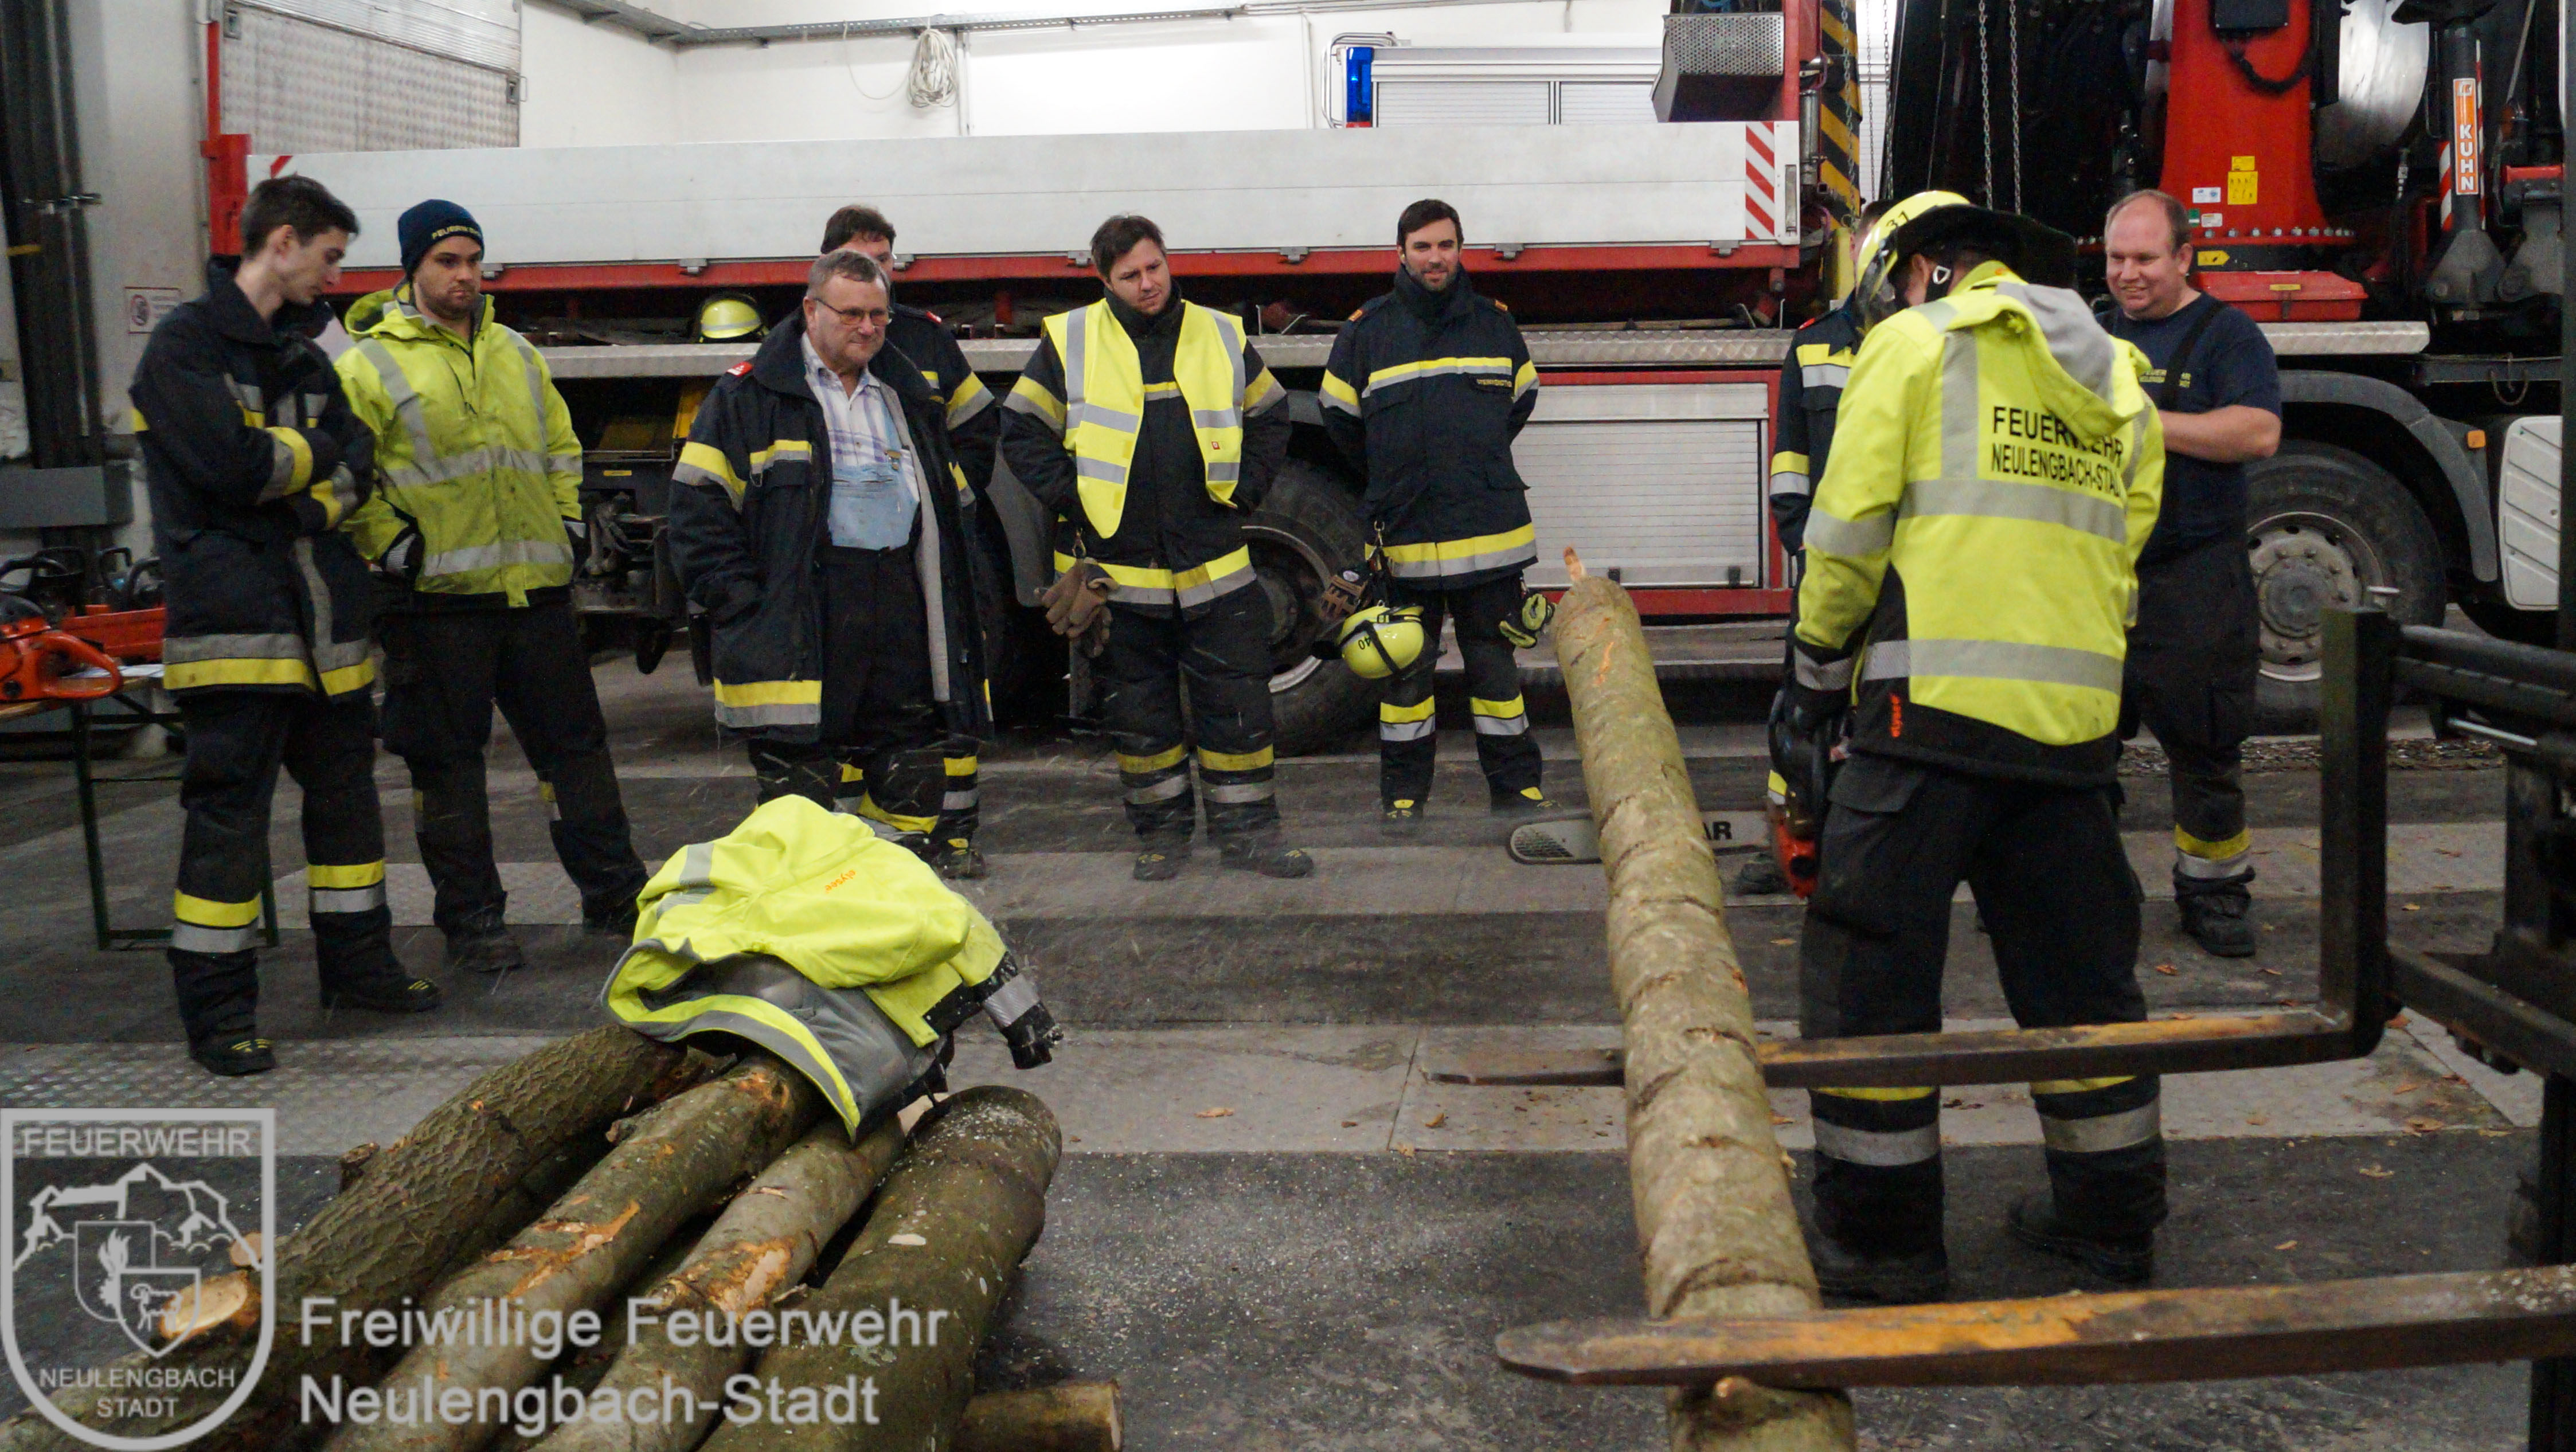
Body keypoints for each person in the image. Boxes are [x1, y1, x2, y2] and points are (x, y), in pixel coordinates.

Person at [1780, 195, 2168, 1302]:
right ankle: (2109, 1229)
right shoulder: (2117, 379)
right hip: (2070, 741)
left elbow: (1846, 532)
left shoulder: (1913, 347)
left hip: (1924, 729)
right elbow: (2122, 546)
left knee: (1870, 987)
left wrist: (1813, 679)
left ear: (1926, 271)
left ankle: (1882, 1245)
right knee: (2082, 993)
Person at [131, 175, 440, 1076]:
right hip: (236, 630)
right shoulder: (184, 348)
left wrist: (293, 496)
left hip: (326, 629)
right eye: (330, 258)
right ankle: (220, 1013)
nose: (334, 278)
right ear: (282, 243)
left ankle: (360, 968)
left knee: (347, 807)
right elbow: (228, 466)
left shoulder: (305, 357)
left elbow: (358, 467)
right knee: (229, 822)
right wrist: (307, 466)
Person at [337, 200, 650, 976]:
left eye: (474, 261)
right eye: (447, 262)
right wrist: (396, 548)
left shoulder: (517, 354)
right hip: (435, 603)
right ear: (412, 268)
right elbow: (349, 478)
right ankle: (474, 920)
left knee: (575, 754)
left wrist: (569, 524)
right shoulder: (367, 366)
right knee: (447, 765)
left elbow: (560, 446)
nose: (466, 276)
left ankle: (616, 896)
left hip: (534, 596)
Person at [1000, 214, 1307, 881]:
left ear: (1168, 262)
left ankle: (1251, 836)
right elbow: (1021, 429)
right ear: (1104, 281)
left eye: (1154, 268)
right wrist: (1075, 497)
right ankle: (1162, 838)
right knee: (1140, 717)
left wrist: (1245, 492)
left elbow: (1270, 413)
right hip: (1120, 573)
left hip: (1214, 564)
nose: (1147, 284)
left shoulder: (1217, 332)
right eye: (1129, 276)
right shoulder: (1071, 339)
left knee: (1238, 708)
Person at [665, 248, 991, 852]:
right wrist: (743, 605)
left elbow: (950, 504)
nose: (867, 328)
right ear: (811, 310)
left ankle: (893, 882)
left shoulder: (905, 393)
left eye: (878, 315)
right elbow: (695, 512)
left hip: (896, 602)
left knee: (911, 773)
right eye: (851, 314)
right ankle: (817, 896)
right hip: (802, 613)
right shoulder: (748, 397)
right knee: (801, 800)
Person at [1320, 199, 1553, 832]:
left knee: (1496, 676)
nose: (1434, 258)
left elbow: (1520, 400)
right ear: (1400, 252)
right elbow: (1339, 420)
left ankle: (1517, 793)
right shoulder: (1367, 332)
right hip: (1405, 540)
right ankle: (1403, 801)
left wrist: (1465, 461)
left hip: (1488, 537)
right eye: (1422, 246)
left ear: (1460, 249)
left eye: (1445, 245)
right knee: (1404, 681)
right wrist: (1395, 476)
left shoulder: (1494, 325)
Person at [2103, 189, 2282, 958]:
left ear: (2184, 257)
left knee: (2205, 746)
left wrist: (2142, 423)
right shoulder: (2090, 333)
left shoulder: (2226, 336)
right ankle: (2073, 889)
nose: (2127, 274)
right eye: (2115, 258)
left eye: (2144, 258)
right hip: (2098, 576)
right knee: (2077, 747)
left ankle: (2213, 894)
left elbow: (2257, 432)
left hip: (2194, 575)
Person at [821, 205, 1000, 879]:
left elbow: (977, 423)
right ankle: (850, 843)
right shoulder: (805, 347)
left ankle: (954, 834)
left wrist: (948, 501)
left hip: (929, 556)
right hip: (847, 564)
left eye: (886, 260)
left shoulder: (924, 339)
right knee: (854, 699)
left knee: (947, 685)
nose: (879, 275)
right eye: (863, 262)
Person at [1741, 196, 1902, 896]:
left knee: (1895, 714)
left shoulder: (1930, 344)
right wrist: (1808, 548)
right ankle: (1790, 841)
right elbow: (1789, 465)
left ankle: (1884, 848)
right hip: (1831, 569)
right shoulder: (1812, 345)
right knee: (1800, 710)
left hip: (1909, 578)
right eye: (1867, 249)